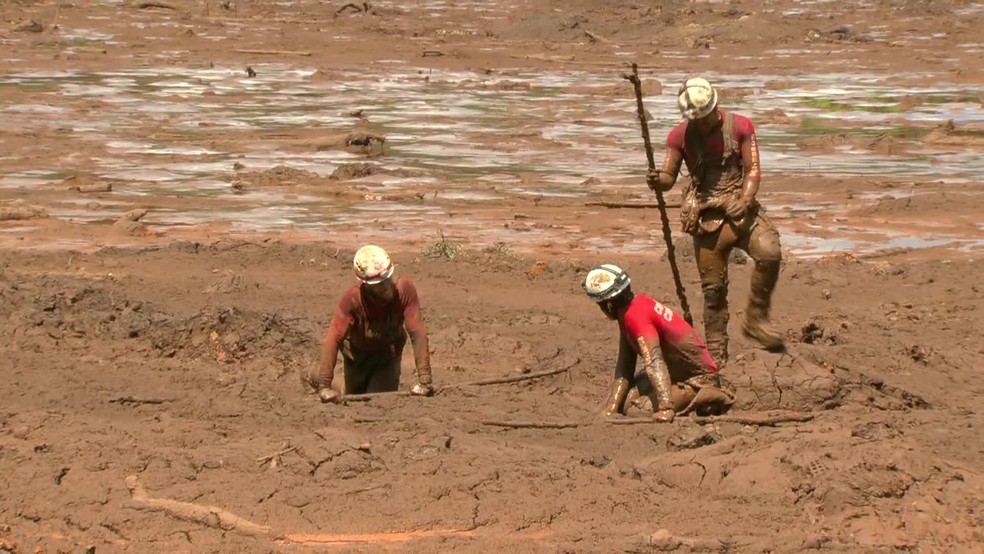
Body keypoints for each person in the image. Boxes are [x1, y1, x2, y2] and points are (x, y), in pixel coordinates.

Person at [646, 77, 785, 366]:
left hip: (739, 209)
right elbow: (669, 177)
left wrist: (745, 199)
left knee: (769, 252)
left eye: (706, 115)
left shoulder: (741, 127)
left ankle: (756, 319)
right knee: (713, 292)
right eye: (695, 117)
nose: (702, 122)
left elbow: (753, 169)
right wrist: (658, 181)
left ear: (715, 106)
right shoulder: (679, 136)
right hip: (705, 214)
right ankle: (716, 357)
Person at [583, 264, 735, 422]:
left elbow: (654, 360)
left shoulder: (636, 316)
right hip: (673, 372)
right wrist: (612, 407)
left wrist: (665, 407)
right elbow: (625, 365)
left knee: (638, 410)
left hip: (698, 379)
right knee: (627, 400)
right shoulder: (629, 313)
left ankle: (708, 396)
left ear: (608, 305)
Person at [305, 245, 434, 402]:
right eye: (379, 285)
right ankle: (313, 374)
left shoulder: (405, 290)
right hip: (357, 355)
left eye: (388, 280)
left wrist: (425, 379)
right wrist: (324, 386)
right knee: (353, 397)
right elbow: (333, 337)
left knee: (379, 399)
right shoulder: (353, 299)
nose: (386, 288)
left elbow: (417, 331)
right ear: (366, 286)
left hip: (388, 354)